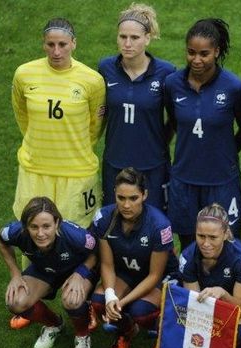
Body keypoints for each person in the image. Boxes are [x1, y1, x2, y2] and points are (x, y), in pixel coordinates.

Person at [9, 18, 105, 329]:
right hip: (35, 168)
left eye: (62, 44)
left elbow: (95, 126)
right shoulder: (25, 74)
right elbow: (22, 115)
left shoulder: (91, 80)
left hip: (76, 173)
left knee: (78, 235)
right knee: (32, 229)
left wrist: (71, 148)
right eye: (50, 44)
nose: (56, 50)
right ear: (43, 44)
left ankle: (81, 298)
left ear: (74, 44)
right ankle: (30, 292)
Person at [164, 18, 241, 250]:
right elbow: (174, 120)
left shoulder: (233, 87)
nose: (197, 60)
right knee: (189, 243)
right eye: (191, 52)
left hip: (221, 180)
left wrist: (228, 150)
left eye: (204, 53)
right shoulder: (172, 84)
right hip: (184, 178)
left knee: (230, 243)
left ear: (217, 51)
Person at [90, 167, 177, 348]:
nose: (126, 205)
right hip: (128, 273)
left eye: (133, 198)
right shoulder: (105, 218)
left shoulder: (159, 225)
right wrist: (111, 296)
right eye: (121, 198)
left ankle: (163, 333)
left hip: (158, 277)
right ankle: (127, 330)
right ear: (115, 194)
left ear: (144, 195)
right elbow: (107, 264)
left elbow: (154, 276)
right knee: (99, 303)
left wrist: (121, 302)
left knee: (140, 310)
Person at [0, 197, 98, 348]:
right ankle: (54, 325)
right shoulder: (16, 231)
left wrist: (81, 273)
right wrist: (15, 273)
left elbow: (96, 251)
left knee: (72, 299)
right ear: (25, 226)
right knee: (15, 301)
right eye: (34, 227)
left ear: (57, 223)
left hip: (75, 270)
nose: (40, 233)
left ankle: (82, 335)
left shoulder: (75, 236)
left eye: (46, 226)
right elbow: (1, 240)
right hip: (44, 269)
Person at [98, 3, 176, 210]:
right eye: (123, 37)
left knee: (155, 224)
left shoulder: (166, 73)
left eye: (134, 38)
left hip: (152, 164)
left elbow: (175, 118)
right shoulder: (105, 68)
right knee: (112, 222)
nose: (127, 43)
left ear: (147, 38)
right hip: (115, 161)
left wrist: (159, 141)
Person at [179, 203, 241, 348]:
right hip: (206, 306)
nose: (206, 243)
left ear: (225, 234)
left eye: (213, 237)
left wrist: (223, 294)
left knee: (239, 334)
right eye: (201, 236)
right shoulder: (187, 256)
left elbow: (240, 311)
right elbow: (195, 306)